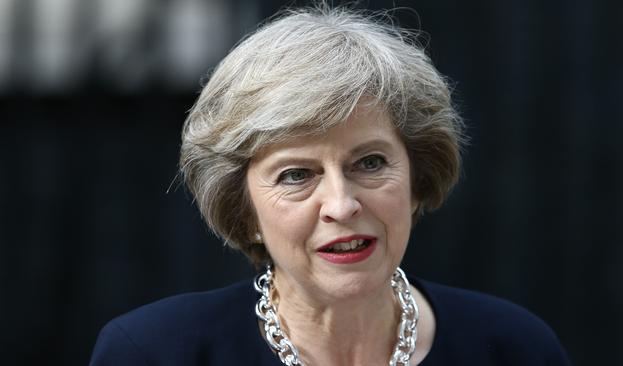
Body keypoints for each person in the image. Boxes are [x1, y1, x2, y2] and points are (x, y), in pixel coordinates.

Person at [90, 4, 571, 366]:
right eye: (296, 175)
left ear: (417, 179)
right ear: (244, 210)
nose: (341, 205)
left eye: (370, 162)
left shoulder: (513, 347)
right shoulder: (153, 352)